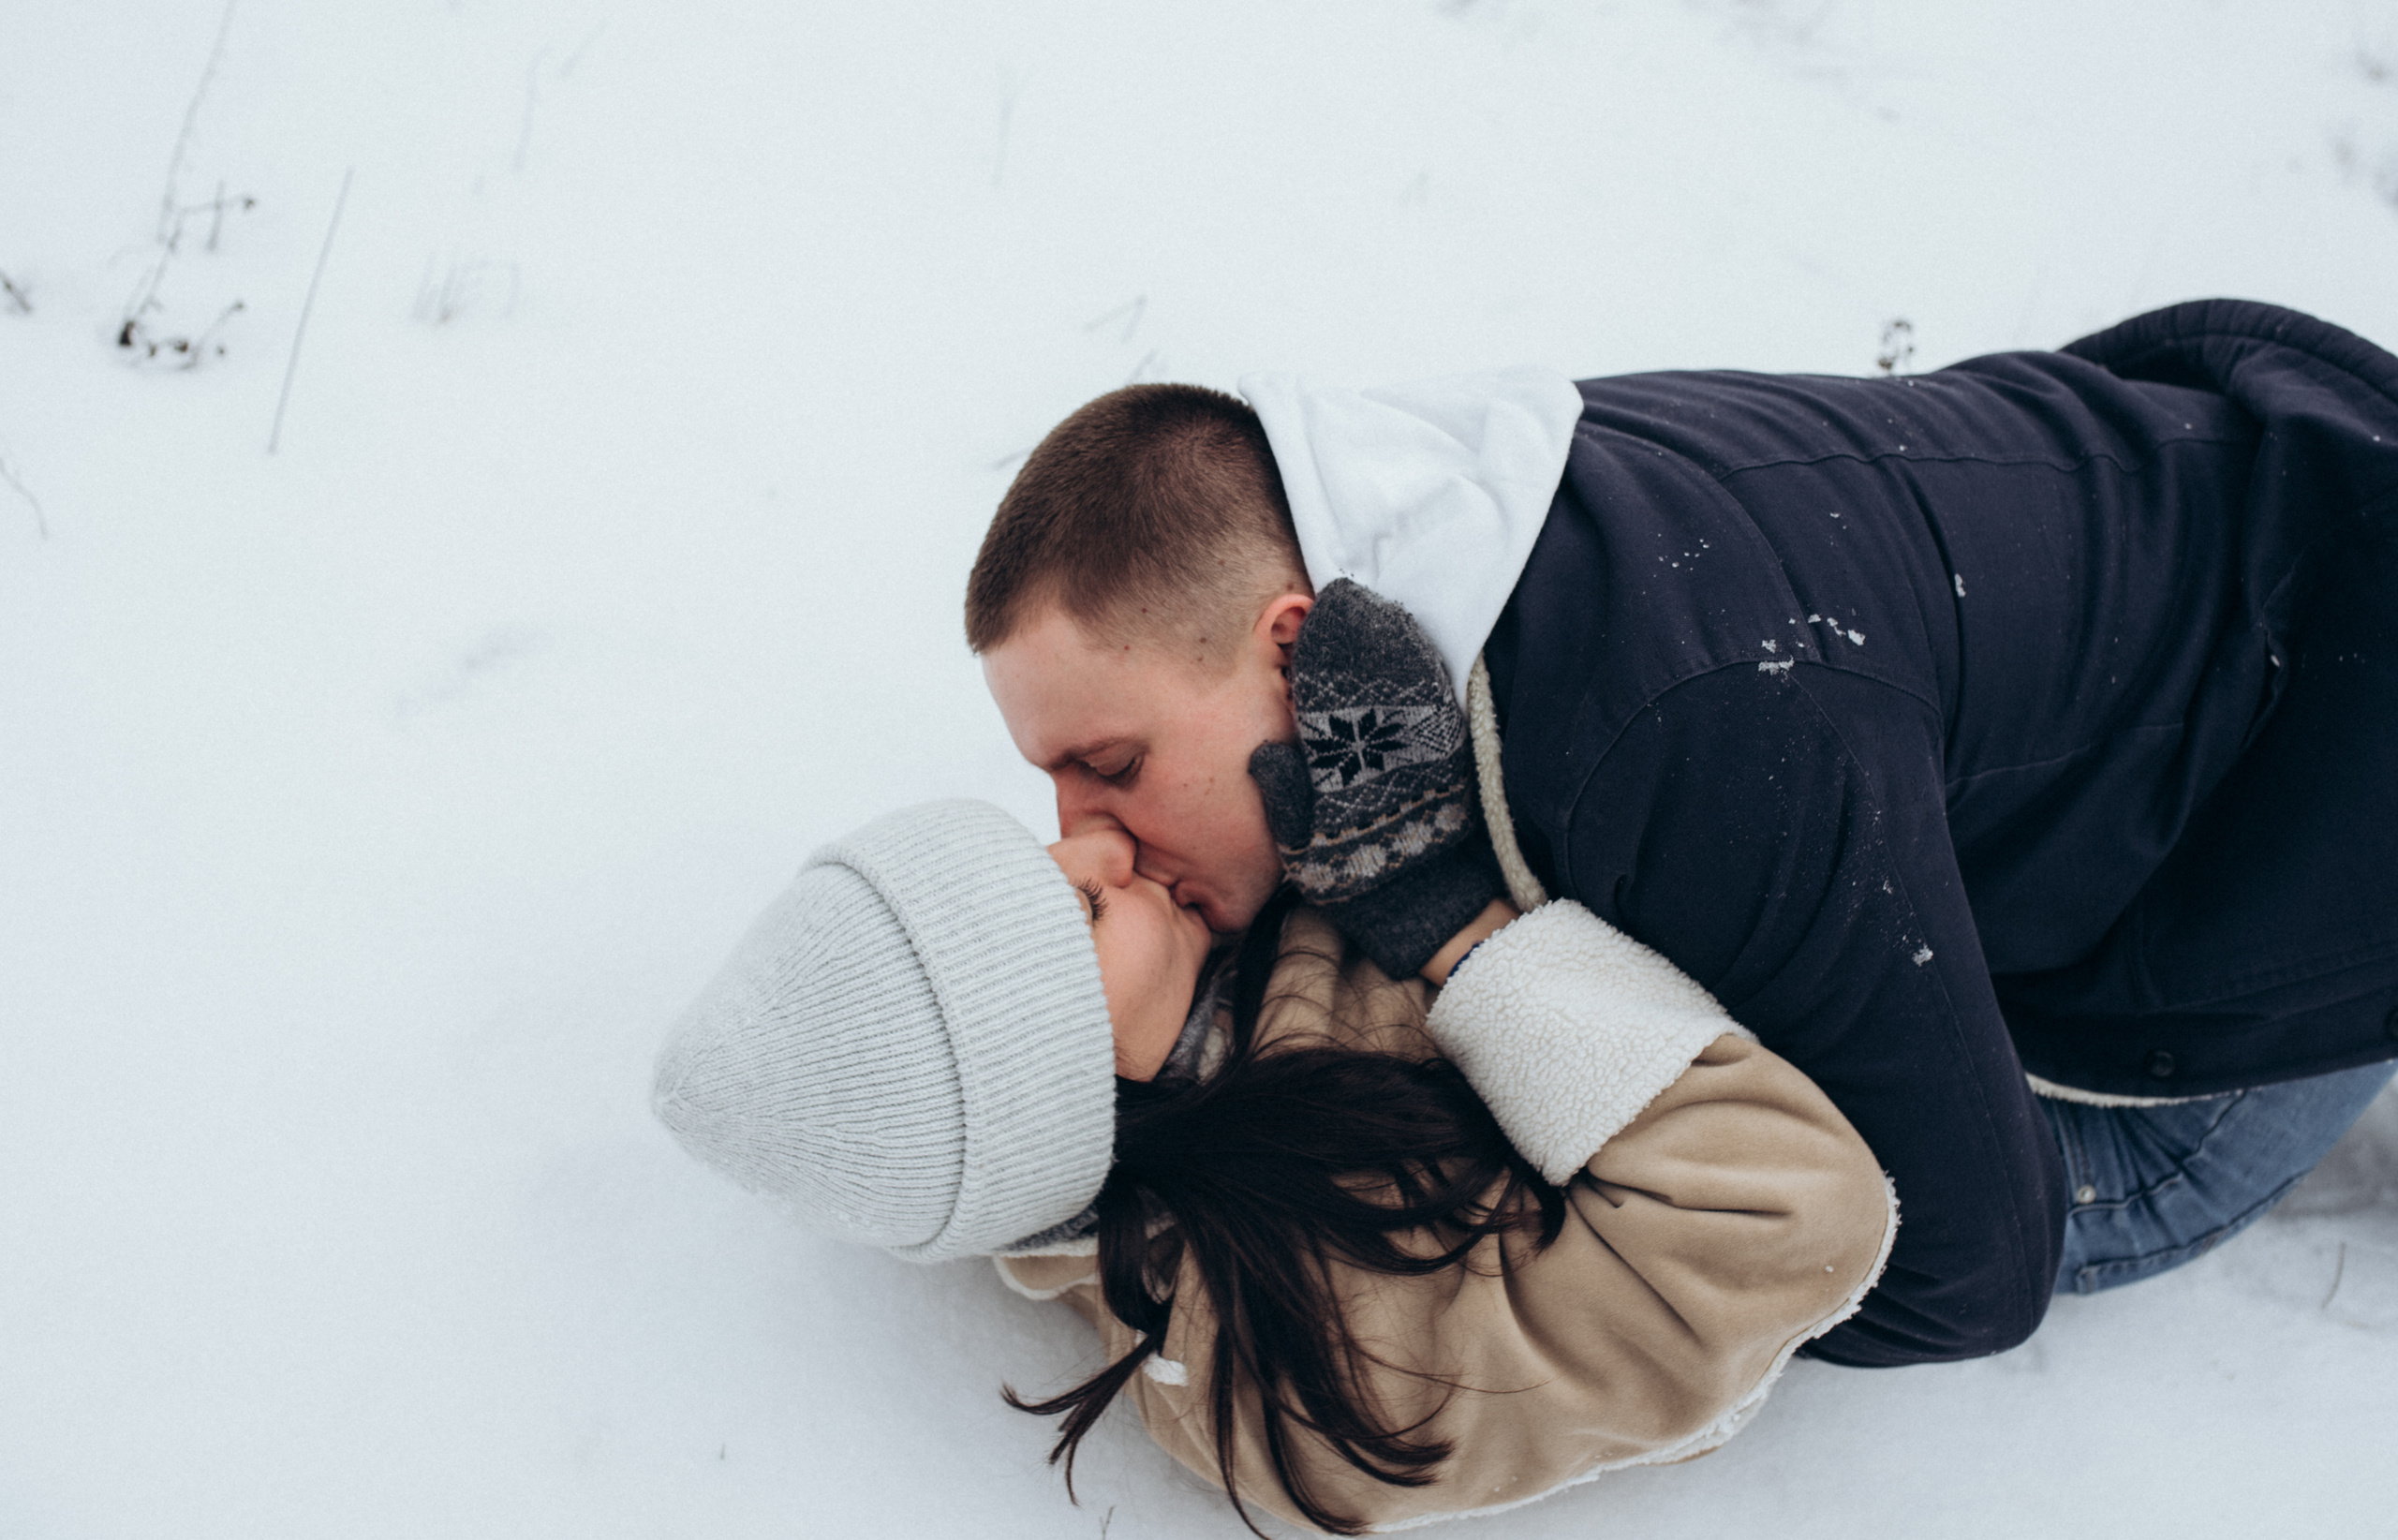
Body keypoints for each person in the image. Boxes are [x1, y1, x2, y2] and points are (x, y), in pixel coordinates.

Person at [970, 298, 2398, 1367]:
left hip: (2304, 832)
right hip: (2256, 483)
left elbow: (1966, 1266)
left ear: (1294, 653)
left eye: (1112, 766)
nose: (1090, 838)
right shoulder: (1447, 512)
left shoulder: (1677, 740)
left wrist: (1473, 949)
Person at [653, 799, 1896, 1534]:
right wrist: (1451, 930)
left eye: (1050, 857)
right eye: (1077, 913)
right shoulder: (1285, 1365)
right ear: (1057, 1084)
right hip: (1945, 1176)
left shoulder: (1238, 935)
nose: (1094, 842)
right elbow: (1790, 1224)